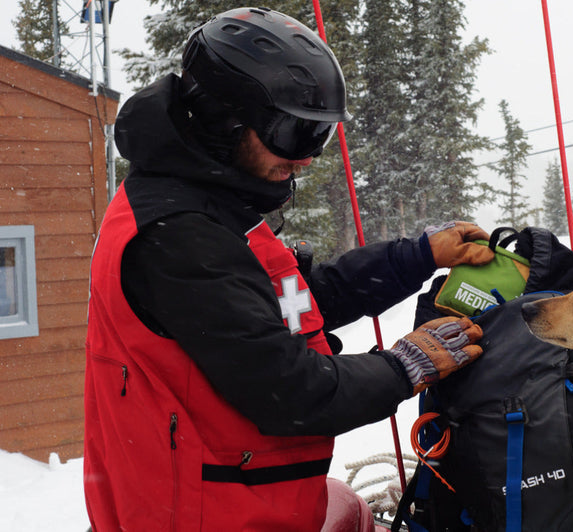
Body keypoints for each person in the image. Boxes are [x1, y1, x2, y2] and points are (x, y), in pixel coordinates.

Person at [83, 7, 494, 531]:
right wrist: (402, 367)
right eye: (294, 133)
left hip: (237, 500)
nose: (306, 159)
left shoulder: (211, 201)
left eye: (317, 137)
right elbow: (289, 392)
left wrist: (415, 257)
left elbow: (288, 305)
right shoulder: (178, 237)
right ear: (223, 119)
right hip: (198, 515)